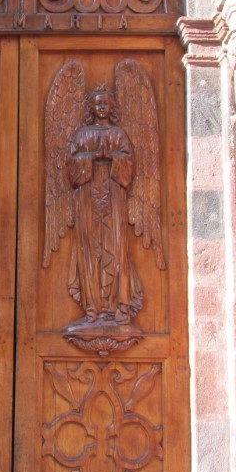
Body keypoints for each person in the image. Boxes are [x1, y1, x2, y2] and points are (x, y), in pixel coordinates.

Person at [67, 86, 143, 325]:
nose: (101, 107)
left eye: (105, 103)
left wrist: (112, 158)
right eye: (97, 103)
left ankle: (115, 306)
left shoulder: (119, 134)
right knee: (90, 248)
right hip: (88, 197)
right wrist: (90, 158)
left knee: (115, 246)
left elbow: (128, 167)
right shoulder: (82, 135)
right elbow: (72, 168)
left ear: (111, 107)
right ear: (92, 108)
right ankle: (92, 307)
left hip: (113, 199)